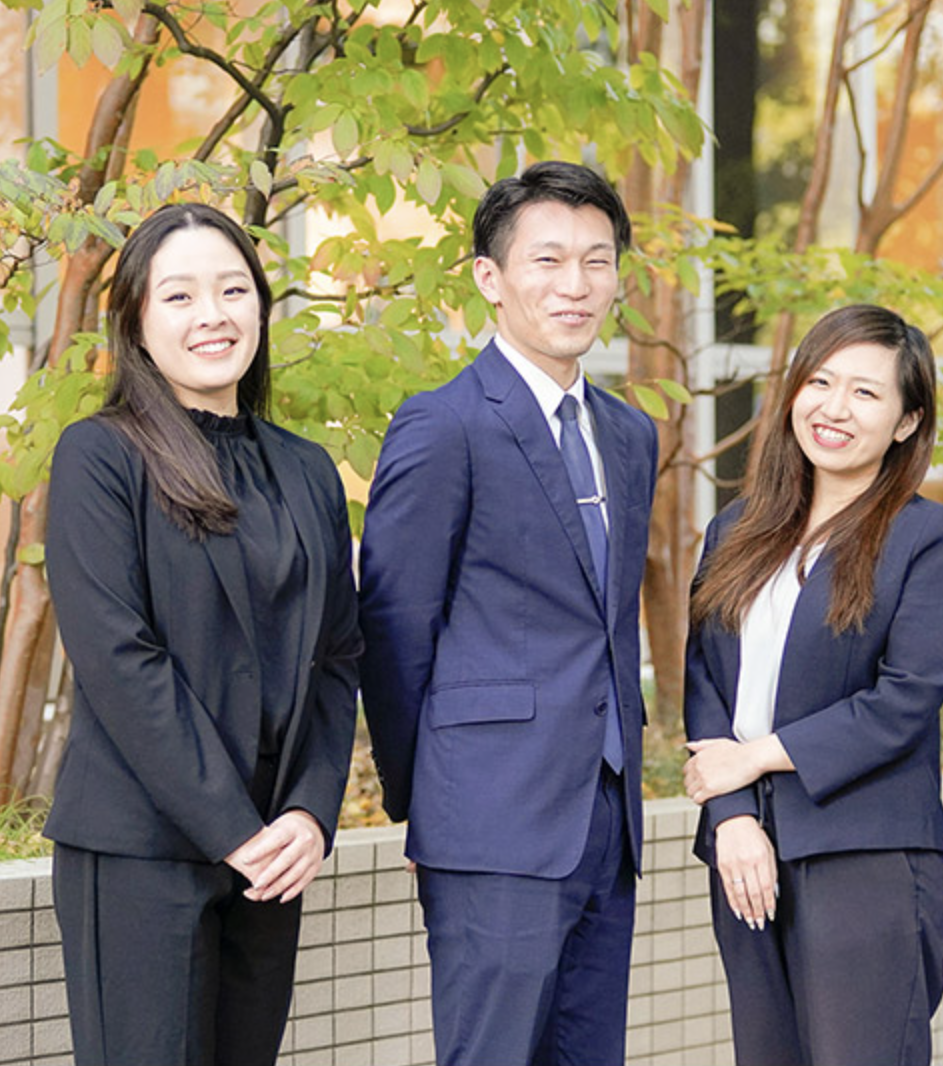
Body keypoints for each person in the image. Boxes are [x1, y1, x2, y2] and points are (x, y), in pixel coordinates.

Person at [43, 202, 362, 1066]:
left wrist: (310, 812)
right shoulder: (100, 457)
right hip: (142, 850)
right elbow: (120, 659)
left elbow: (338, 656)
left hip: (271, 855)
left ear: (260, 305)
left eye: (232, 290)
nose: (212, 315)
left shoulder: (305, 470)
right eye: (179, 296)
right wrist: (234, 829)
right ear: (137, 321)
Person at [358, 160, 657, 1066]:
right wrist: (429, 804)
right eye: (548, 260)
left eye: (597, 261)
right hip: (488, 820)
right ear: (490, 278)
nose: (577, 285)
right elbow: (395, 632)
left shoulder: (629, 434)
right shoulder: (443, 425)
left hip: (606, 820)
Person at [683, 304, 943, 1066]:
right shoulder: (736, 530)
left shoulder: (928, 540)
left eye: (865, 392)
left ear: (908, 421)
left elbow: (904, 699)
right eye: (820, 381)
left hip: (866, 855)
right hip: (746, 853)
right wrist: (731, 817)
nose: (834, 408)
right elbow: (705, 679)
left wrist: (755, 758)